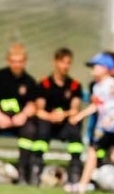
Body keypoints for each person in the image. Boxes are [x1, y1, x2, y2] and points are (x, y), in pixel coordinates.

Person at [64, 53, 114, 194]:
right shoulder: (96, 87)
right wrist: (79, 116)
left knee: (93, 152)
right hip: (103, 125)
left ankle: (82, 185)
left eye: (95, 66)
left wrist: (113, 117)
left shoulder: (111, 84)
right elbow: (96, 106)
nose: (92, 70)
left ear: (105, 68)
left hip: (110, 126)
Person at [0, 44, 40, 184]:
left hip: (18, 119)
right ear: (8, 61)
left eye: (20, 61)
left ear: (25, 61)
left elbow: (32, 105)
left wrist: (23, 116)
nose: (17, 64)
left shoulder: (29, 81)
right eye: (14, 61)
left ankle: (22, 173)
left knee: (30, 130)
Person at [35, 48, 86, 186]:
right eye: (63, 62)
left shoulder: (75, 86)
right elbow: (38, 110)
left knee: (75, 127)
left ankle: (75, 170)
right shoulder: (44, 84)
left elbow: (75, 109)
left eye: (69, 63)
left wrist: (63, 114)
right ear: (55, 62)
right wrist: (50, 116)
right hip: (48, 124)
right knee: (41, 128)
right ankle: (36, 169)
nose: (65, 66)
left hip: (65, 125)